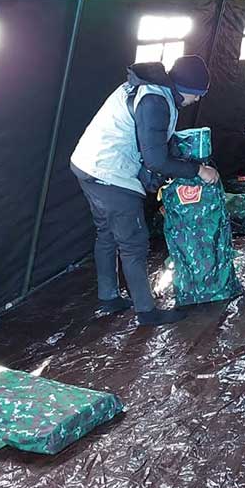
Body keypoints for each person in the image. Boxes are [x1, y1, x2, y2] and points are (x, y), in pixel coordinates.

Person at [70, 56, 220, 326]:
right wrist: (199, 171)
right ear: (185, 87)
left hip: (87, 164)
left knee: (106, 233)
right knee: (133, 243)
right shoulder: (155, 101)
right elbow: (155, 160)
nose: (197, 100)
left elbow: (155, 138)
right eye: (197, 94)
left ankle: (109, 297)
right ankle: (147, 312)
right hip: (109, 173)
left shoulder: (153, 88)